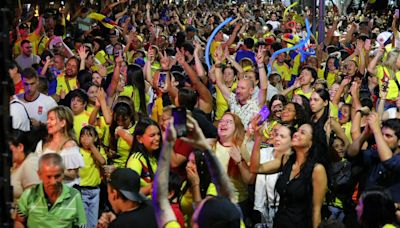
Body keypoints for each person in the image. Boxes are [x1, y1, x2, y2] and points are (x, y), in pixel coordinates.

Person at [153, 115, 242, 228]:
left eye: (193, 163)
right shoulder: (185, 183)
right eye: (188, 161)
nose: (188, 166)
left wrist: (196, 184)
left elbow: (200, 217)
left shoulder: (211, 189)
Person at [250, 123, 330, 228]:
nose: (296, 134)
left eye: (303, 132)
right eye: (297, 131)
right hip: (279, 223)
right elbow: (255, 168)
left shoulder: (317, 169)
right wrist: (258, 139)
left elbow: (316, 210)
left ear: (311, 143)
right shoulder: (286, 160)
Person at [14, 153, 87, 227]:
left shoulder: (74, 196)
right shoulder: (28, 195)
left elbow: (81, 224)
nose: (53, 182)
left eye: (57, 176)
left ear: (63, 174)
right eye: (48, 177)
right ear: (39, 175)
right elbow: (19, 221)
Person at [250, 120, 294, 227]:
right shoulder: (277, 161)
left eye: (282, 136)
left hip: (290, 217)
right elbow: (255, 168)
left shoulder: (297, 164)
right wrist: (258, 139)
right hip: (271, 212)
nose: (277, 138)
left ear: (292, 141)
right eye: (277, 134)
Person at [348, 116, 400, 203]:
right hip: (365, 210)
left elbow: (389, 161)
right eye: (381, 134)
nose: (382, 139)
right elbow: (351, 154)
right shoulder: (375, 154)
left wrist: (377, 131)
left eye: (388, 136)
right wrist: (365, 134)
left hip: (389, 213)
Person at [35, 106, 84, 187]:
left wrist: (53, 169)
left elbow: (73, 174)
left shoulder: (70, 145)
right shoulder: (43, 143)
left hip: (66, 192)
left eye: (52, 119)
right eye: (48, 119)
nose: (47, 122)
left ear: (62, 123)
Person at [78, 126, 107, 228]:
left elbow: (102, 162)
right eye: (82, 135)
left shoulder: (98, 150)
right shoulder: (78, 151)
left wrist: (92, 146)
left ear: (95, 138)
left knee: (93, 222)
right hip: (81, 191)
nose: (85, 138)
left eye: (89, 135)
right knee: (83, 223)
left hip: (95, 190)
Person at [126, 118, 162, 196]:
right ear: (139, 139)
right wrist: (153, 187)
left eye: (158, 134)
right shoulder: (136, 160)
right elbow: (130, 193)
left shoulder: (156, 156)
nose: (157, 138)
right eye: (152, 135)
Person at [9, 130, 41, 203]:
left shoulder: (30, 163)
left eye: (9, 149)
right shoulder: (14, 163)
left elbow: (34, 201)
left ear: (20, 147)